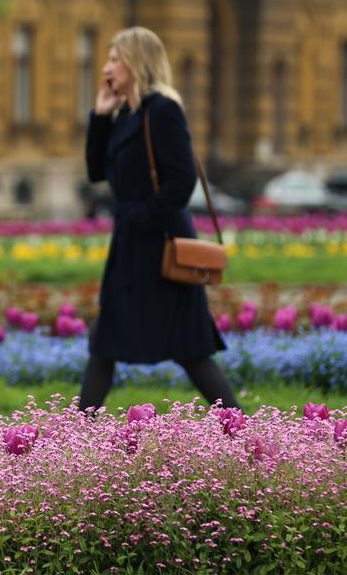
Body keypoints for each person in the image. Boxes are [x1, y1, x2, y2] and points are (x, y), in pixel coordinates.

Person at [78, 26, 241, 413]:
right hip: (130, 248)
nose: (107, 67)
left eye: (115, 59)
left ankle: (241, 431)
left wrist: (139, 218)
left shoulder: (163, 110)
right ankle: (72, 438)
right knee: (105, 343)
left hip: (162, 249)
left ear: (137, 63)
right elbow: (97, 172)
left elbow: (182, 180)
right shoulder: (126, 113)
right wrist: (100, 116)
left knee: (191, 350)